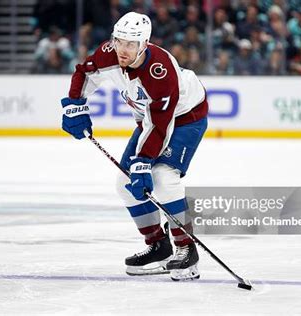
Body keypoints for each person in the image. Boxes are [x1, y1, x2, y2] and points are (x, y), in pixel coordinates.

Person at [60, 12, 208, 281]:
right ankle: (158, 245)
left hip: (186, 117)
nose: (123, 49)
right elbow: (85, 73)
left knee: (162, 178)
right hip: (148, 120)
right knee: (125, 184)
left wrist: (143, 162)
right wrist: (75, 106)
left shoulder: (160, 70)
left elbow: (160, 126)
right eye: (119, 41)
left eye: (131, 43)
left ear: (145, 43)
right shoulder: (109, 52)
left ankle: (187, 250)